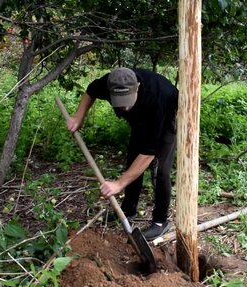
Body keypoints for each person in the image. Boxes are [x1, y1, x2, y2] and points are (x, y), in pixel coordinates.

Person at [66, 67, 178, 241]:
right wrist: (78, 117)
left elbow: (148, 154)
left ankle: (160, 222)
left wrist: (119, 184)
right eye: (119, 102)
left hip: (166, 117)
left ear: (138, 87)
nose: (124, 107)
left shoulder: (157, 97)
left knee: (159, 169)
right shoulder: (108, 82)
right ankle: (127, 210)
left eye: (127, 101)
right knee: (132, 161)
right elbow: (90, 91)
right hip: (140, 120)